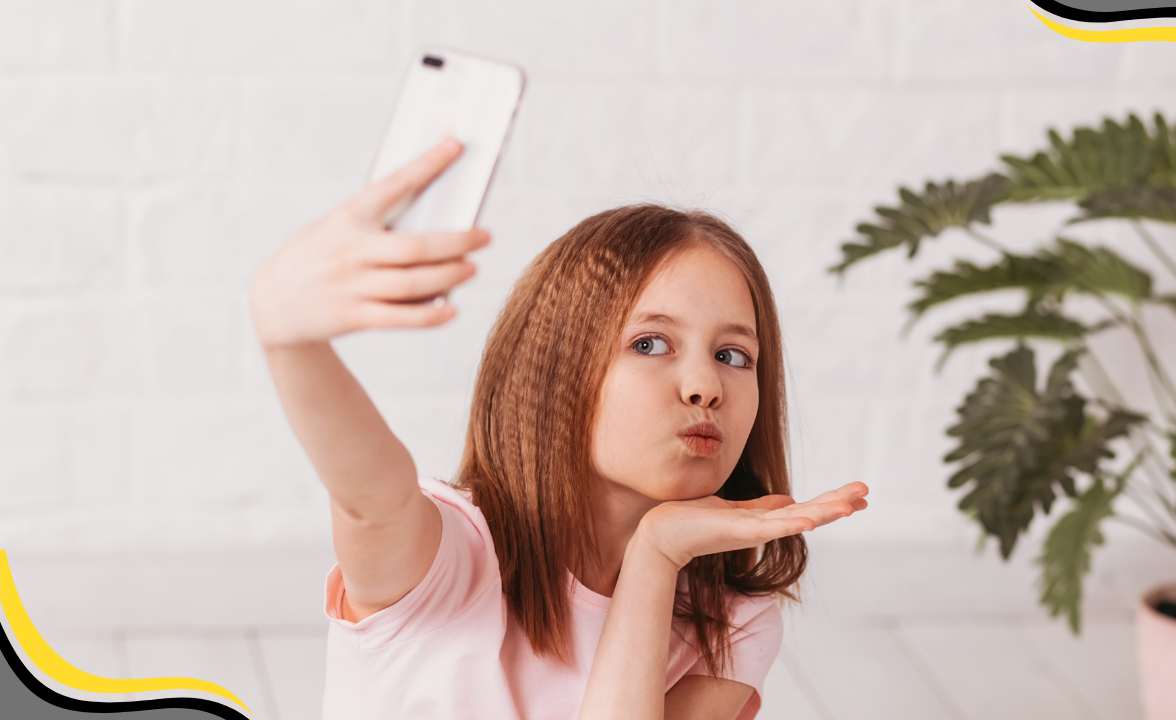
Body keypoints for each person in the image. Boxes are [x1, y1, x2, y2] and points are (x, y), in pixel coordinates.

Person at [249, 138, 869, 720]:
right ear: (555, 370)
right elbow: (370, 496)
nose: (705, 385)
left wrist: (655, 557)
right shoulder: (448, 559)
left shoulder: (732, 616)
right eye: (650, 343)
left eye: (733, 355)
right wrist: (292, 345)